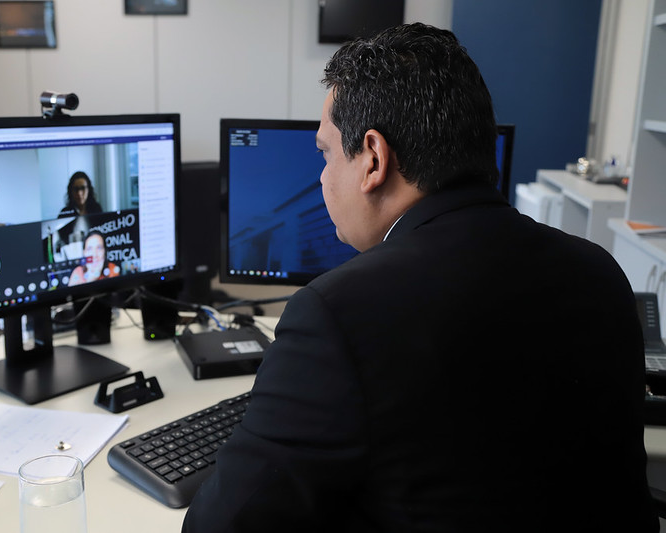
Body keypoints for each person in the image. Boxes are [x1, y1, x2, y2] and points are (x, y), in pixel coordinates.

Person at [182, 23, 657, 532]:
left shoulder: (338, 314)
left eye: (324, 153)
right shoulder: (599, 271)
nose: (322, 176)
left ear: (373, 158)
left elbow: (221, 525)